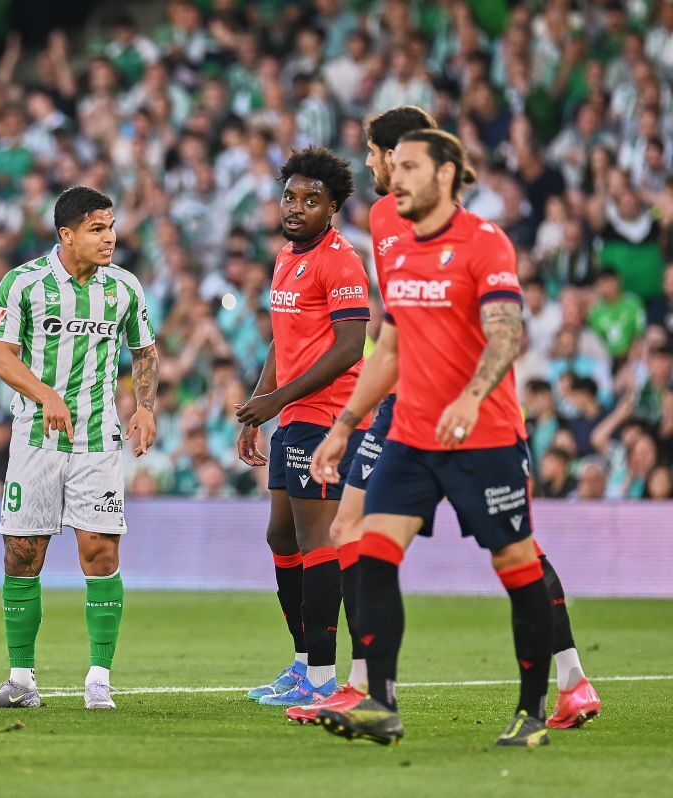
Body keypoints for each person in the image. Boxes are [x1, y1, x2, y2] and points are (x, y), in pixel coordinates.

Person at [307, 107, 600, 731]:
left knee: (516, 552)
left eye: (379, 155)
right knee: (354, 529)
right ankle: (369, 688)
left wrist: (466, 395)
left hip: (473, 421)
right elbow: (394, 332)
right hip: (403, 411)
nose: (371, 165)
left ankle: (568, 677)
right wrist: (350, 419)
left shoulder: (475, 237)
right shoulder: (386, 220)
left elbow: (493, 329)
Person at [0, 185, 158, 711]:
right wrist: (45, 393)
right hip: (36, 438)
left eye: (111, 227)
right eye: (97, 229)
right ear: (67, 234)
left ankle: (99, 677)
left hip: (98, 441)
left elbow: (144, 352)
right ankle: (21, 680)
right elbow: (1, 356)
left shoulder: (124, 288)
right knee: (22, 553)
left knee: (100, 550)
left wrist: (145, 407)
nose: (109, 238)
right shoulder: (23, 283)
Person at [233, 147, 369, 711]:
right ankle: (301, 663)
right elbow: (281, 341)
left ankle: (320, 676)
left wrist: (277, 401)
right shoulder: (287, 257)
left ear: (332, 207)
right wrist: (261, 404)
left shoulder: (342, 260)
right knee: (281, 538)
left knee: (318, 542)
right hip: (292, 415)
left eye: (311, 200)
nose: (296, 207)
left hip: (329, 418)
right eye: (290, 196)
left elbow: (351, 346)